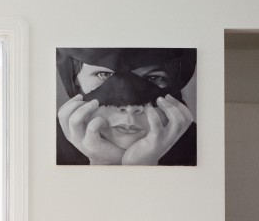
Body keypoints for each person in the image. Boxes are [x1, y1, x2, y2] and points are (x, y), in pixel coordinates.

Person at [56, 48, 197, 166]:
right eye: (104, 75)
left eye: (153, 79)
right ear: (75, 81)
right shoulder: (44, 146)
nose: (130, 108)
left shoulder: (203, 149)